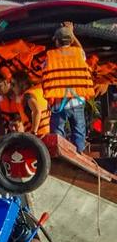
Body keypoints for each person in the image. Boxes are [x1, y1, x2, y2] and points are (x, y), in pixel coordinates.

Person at [42, 22, 95, 151]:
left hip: (59, 104)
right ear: (70, 41)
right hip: (77, 102)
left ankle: (60, 160)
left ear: (57, 42)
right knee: (79, 133)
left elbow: (44, 73)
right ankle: (79, 159)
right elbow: (80, 48)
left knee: (57, 136)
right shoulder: (79, 54)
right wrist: (71, 32)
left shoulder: (50, 57)